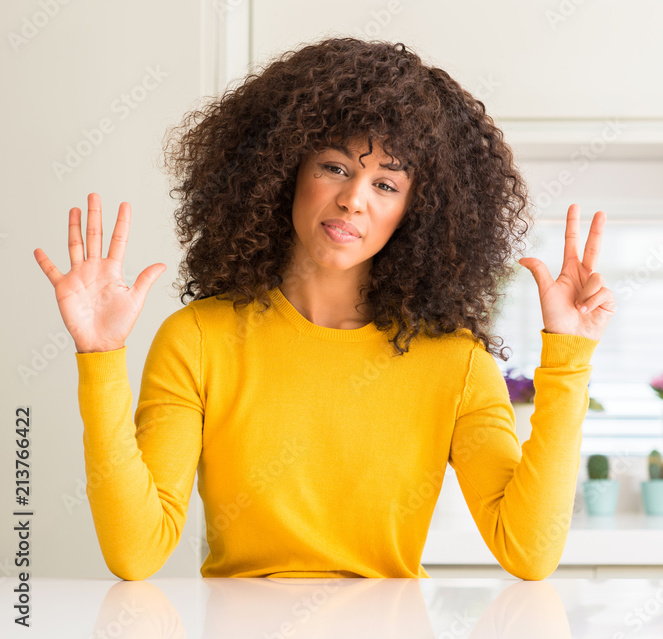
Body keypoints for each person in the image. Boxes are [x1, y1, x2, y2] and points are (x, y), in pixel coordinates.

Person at [32, 37, 614, 581]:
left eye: (386, 185)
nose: (352, 199)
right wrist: (102, 358)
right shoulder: (198, 339)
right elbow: (136, 553)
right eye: (335, 167)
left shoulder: (455, 364)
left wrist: (568, 360)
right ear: (285, 171)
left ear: (419, 211)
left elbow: (530, 552)